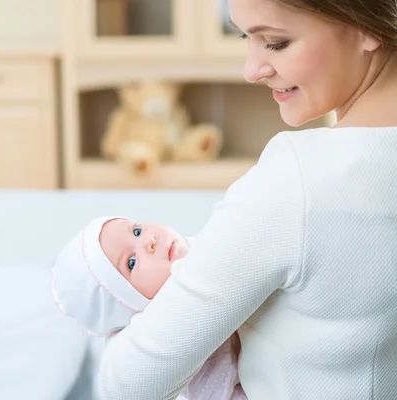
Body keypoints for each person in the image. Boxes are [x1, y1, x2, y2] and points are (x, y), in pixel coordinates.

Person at [96, 0, 397, 398]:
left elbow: (126, 382)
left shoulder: (297, 181)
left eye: (275, 42)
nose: (252, 69)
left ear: (367, 28)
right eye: (244, 36)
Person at [50, 216, 246, 399]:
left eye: (136, 231)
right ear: (132, 304)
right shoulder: (182, 340)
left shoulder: (210, 240)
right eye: (131, 262)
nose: (150, 241)